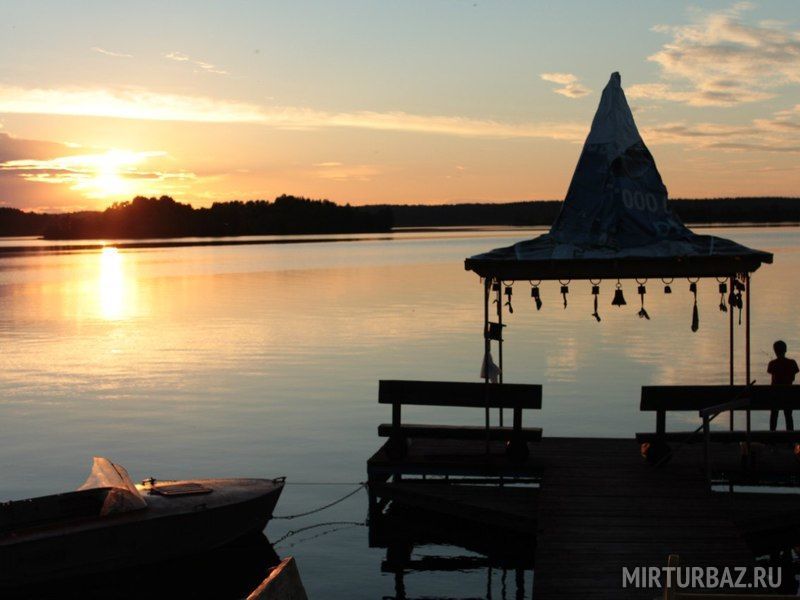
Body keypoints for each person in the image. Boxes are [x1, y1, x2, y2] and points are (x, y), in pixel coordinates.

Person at [768, 340, 799, 431]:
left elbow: (772, 374)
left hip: (774, 396)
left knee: (774, 414)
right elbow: (792, 378)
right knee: (788, 415)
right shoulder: (792, 363)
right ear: (785, 350)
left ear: (775, 351)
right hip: (789, 396)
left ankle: (772, 437)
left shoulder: (772, 363)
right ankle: (790, 438)